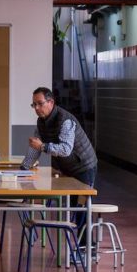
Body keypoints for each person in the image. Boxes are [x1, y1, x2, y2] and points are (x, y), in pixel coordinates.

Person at [22, 86, 97, 242]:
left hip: (84, 166)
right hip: (67, 168)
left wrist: (42, 146)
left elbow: (65, 149)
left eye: (39, 104)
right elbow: (35, 147)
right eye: (33, 105)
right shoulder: (41, 122)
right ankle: (75, 246)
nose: (36, 108)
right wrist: (23, 168)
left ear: (51, 102)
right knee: (72, 207)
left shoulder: (65, 120)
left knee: (81, 208)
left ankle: (87, 247)